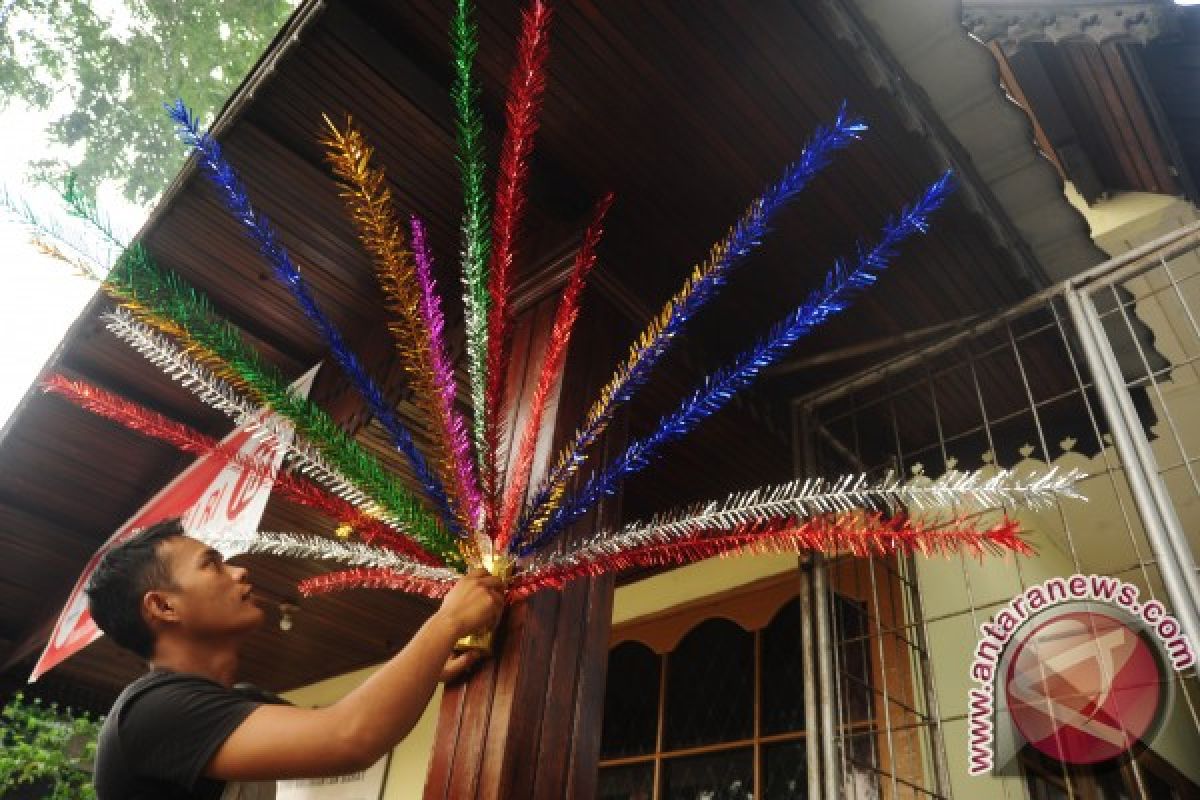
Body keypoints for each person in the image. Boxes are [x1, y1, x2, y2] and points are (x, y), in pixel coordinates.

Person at [85, 517, 505, 799]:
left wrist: (429, 666)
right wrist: (447, 621)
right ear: (163, 607)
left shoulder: (236, 701)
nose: (238, 572)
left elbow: (346, 720)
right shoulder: (153, 712)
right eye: (211, 565)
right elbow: (349, 737)